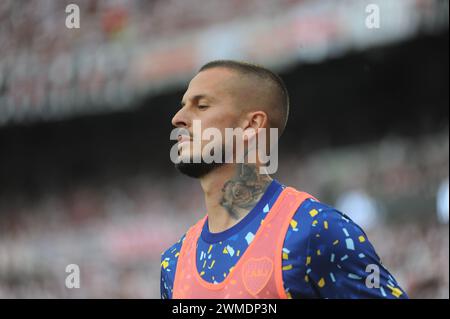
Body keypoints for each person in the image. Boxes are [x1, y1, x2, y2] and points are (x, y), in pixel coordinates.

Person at [160, 60, 407, 299]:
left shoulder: (315, 232)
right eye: (183, 105)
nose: (177, 118)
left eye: (201, 106)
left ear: (251, 125)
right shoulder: (174, 263)